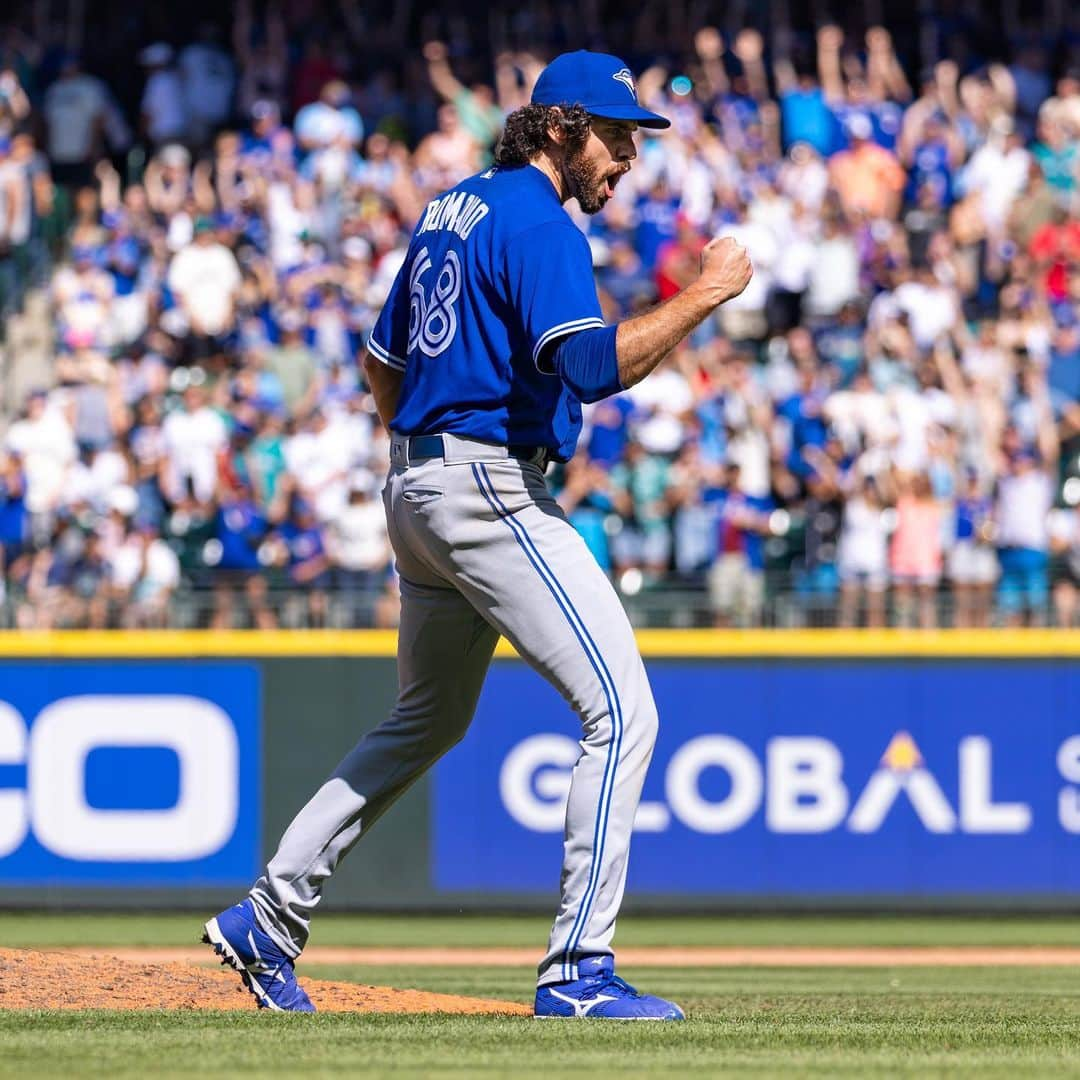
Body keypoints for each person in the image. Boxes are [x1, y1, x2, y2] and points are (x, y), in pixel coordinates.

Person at [203, 49, 752, 1019]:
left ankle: (269, 914)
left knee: (429, 718)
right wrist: (705, 294)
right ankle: (578, 974)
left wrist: (428, 454)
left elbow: (383, 363)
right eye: (616, 135)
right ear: (557, 129)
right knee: (623, 714)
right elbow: (588, 368)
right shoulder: (542, 221)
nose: (629, 158)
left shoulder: (448, 209)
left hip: (419, 483)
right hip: (488, 483)